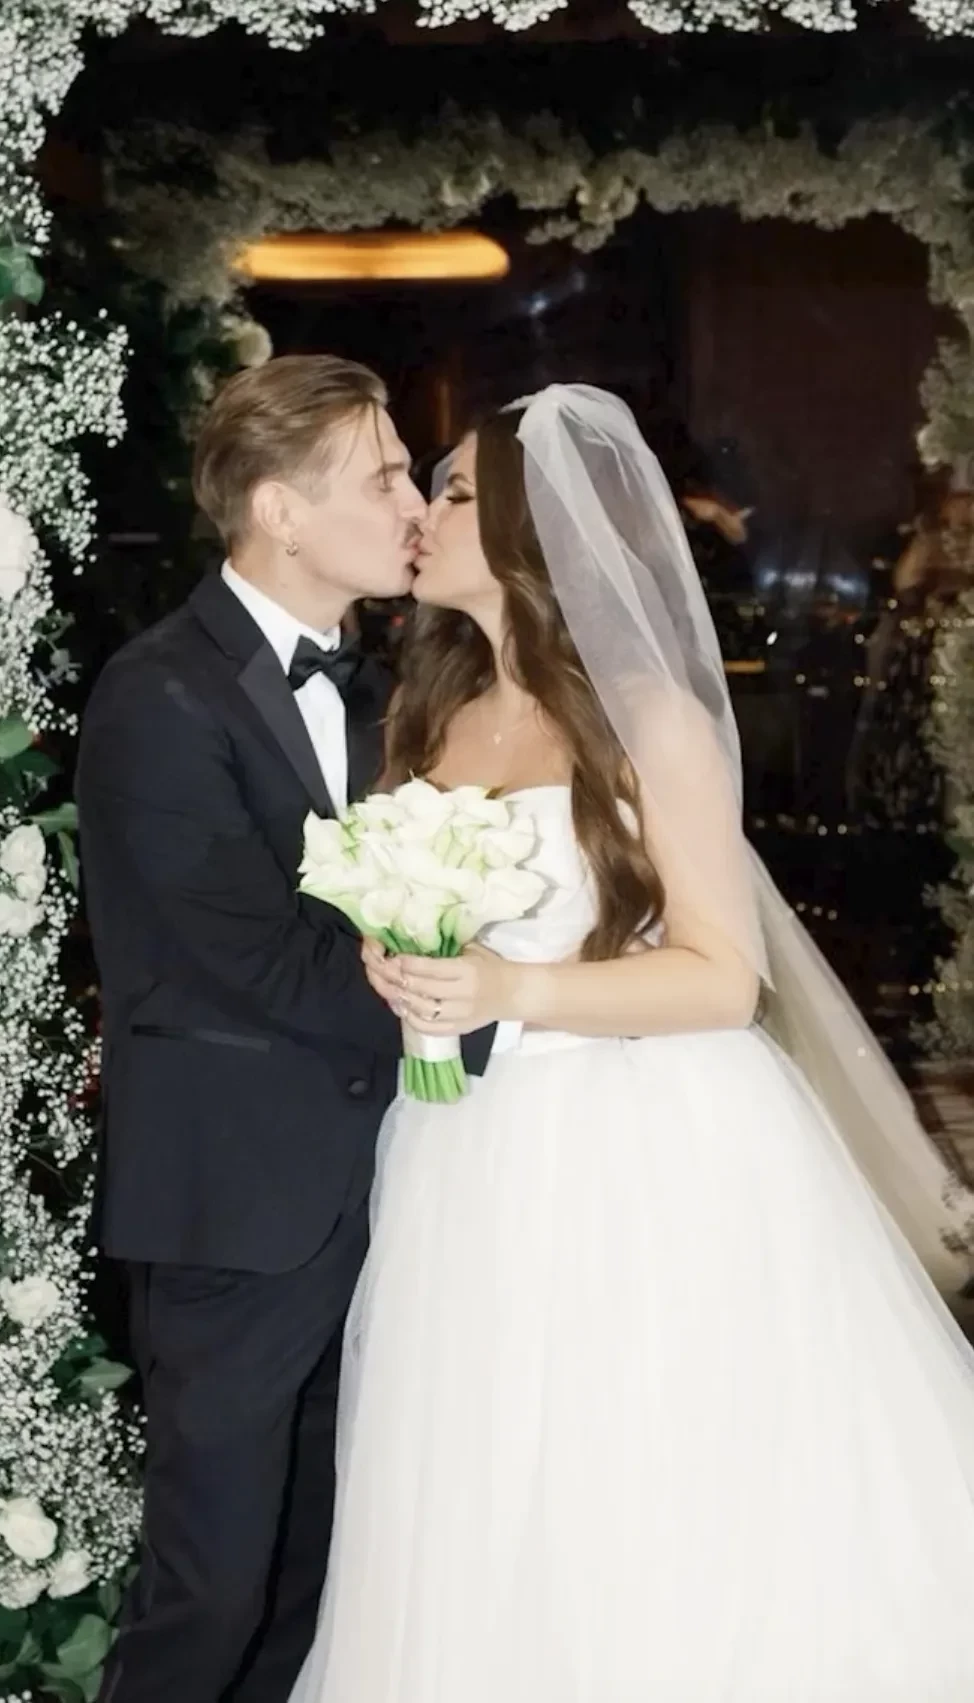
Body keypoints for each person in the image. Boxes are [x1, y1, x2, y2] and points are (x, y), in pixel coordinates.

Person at [290, 384, 974, 1703]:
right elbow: (420, 912)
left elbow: (721, 977)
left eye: (451, 492)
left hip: (639, 1142)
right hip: (462, 1148)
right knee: (483, 1480)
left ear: (530, 530)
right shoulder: (426, 712)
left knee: (647, 1470)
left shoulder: (647, 715)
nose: (420, 514)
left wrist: (510, 984)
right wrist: (403, 957)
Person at [77, 354, 493, 1703]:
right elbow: (250, 954)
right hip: (235, 1210)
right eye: (383, 478)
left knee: (320, 1583)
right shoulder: (158, 693)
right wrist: (492, 1014)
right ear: (280, 511)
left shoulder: (387, 688)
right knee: (208, 1591)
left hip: (386, 1197)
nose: (412, 503)